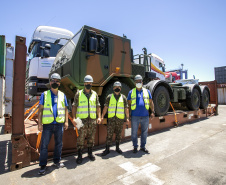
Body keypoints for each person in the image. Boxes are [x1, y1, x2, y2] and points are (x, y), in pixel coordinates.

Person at [38, 73, 68, 175]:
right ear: (50, 82)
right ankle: (43, 165)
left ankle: (57, 161)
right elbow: (40, 110)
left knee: (59, 144)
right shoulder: (44, 94)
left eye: (57, 81)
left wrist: (67, 121)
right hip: (48, 124)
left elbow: (65, 109)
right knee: (44, 145)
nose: (55, 82)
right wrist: (39, 123)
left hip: (59, 123)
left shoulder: (62, 95)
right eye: (53, 81)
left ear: (59, 83)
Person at [72, 75, 101, 164]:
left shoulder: (95, 94)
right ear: (84, 83)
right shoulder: (79, 94)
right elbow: (74, 106)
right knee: (80, 138)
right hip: (82, 120)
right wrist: (73, 118)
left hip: (92, 120)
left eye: (90, 83)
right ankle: (80, 155)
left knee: (91, 138)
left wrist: (99, 116)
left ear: (92, 83)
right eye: (87, 82)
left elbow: (98, 106)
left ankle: (90, 153)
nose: (88, 84)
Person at [127, 74, 155, 154]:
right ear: (135, 83)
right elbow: (128, 105)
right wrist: (128, 116)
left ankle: (143, 147)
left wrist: (152, 112)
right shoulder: (131, 92)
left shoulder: (147, 91)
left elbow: (151, 102)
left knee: (144, 132)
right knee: (134, 132)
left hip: (145, 116)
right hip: (135, 116)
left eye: (140, 81)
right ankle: (135, 147)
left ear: (142, 82)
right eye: (137, 81)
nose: (138, 82)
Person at [101, 81, 129, 156]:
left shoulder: (123, 97)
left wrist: (127, 118)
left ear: (120, 88)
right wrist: (102, 116)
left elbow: (126, 108)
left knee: (119, 134)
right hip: (111, 119)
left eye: (118, 87)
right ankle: (107, 149)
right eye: (116, 87)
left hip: (120, 119)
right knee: (109, 134)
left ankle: (117, 148)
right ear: (113, 88)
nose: (117, 88)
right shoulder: (109, 97)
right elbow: (105, 107)